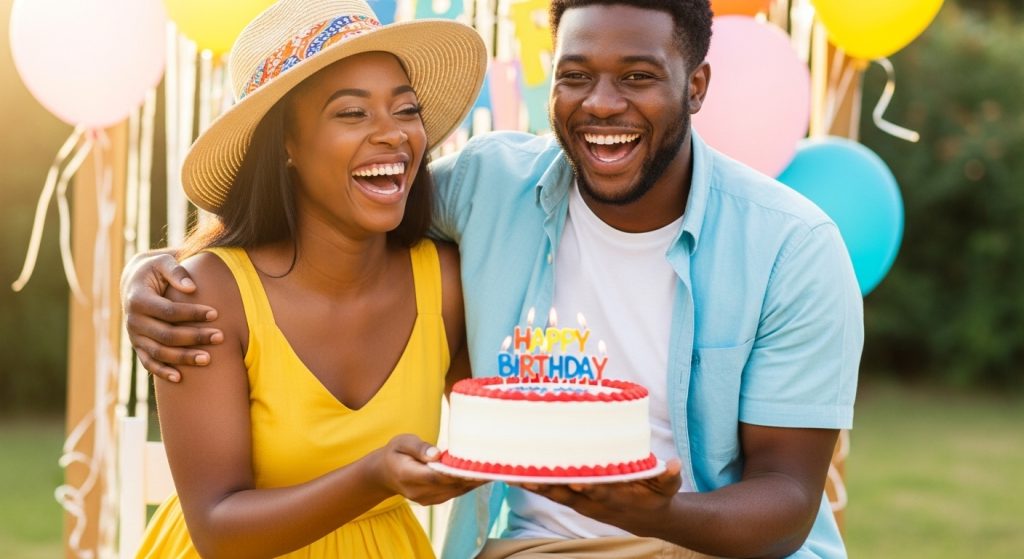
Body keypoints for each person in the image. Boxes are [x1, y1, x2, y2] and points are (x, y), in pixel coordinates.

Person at [123, 0, 864, 557]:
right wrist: (153, 271)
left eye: (638, 77)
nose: (602, 104)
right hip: (533, 548)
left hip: (707, 545)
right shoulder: (490, 190)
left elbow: (788, 501)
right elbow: (339, 213)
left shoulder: (789, 247)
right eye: (575, 76)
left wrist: (651, 512)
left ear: (696, 85)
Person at [128, 0, 489, 557]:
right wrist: (373, 476)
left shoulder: (444, 283)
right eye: (352, 113)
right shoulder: (207, 297)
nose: (393, 134)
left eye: (405, 109)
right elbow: (217, 530)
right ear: (287, 145)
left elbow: (497, 433)